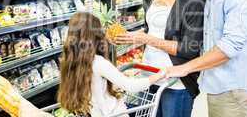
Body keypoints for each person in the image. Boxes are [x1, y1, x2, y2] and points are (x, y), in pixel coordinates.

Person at [115, 0, 206, 117]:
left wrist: (146, 39)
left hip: (175, 81)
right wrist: (130, 36)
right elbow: (152, 29)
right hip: (148, 75)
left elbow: (189, 49)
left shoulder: (193, 0)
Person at [19, 12, 165, 117]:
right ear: (94, 34)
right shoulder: (98, 62)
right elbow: (131, 86)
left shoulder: (69, 60)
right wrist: (159, 75)